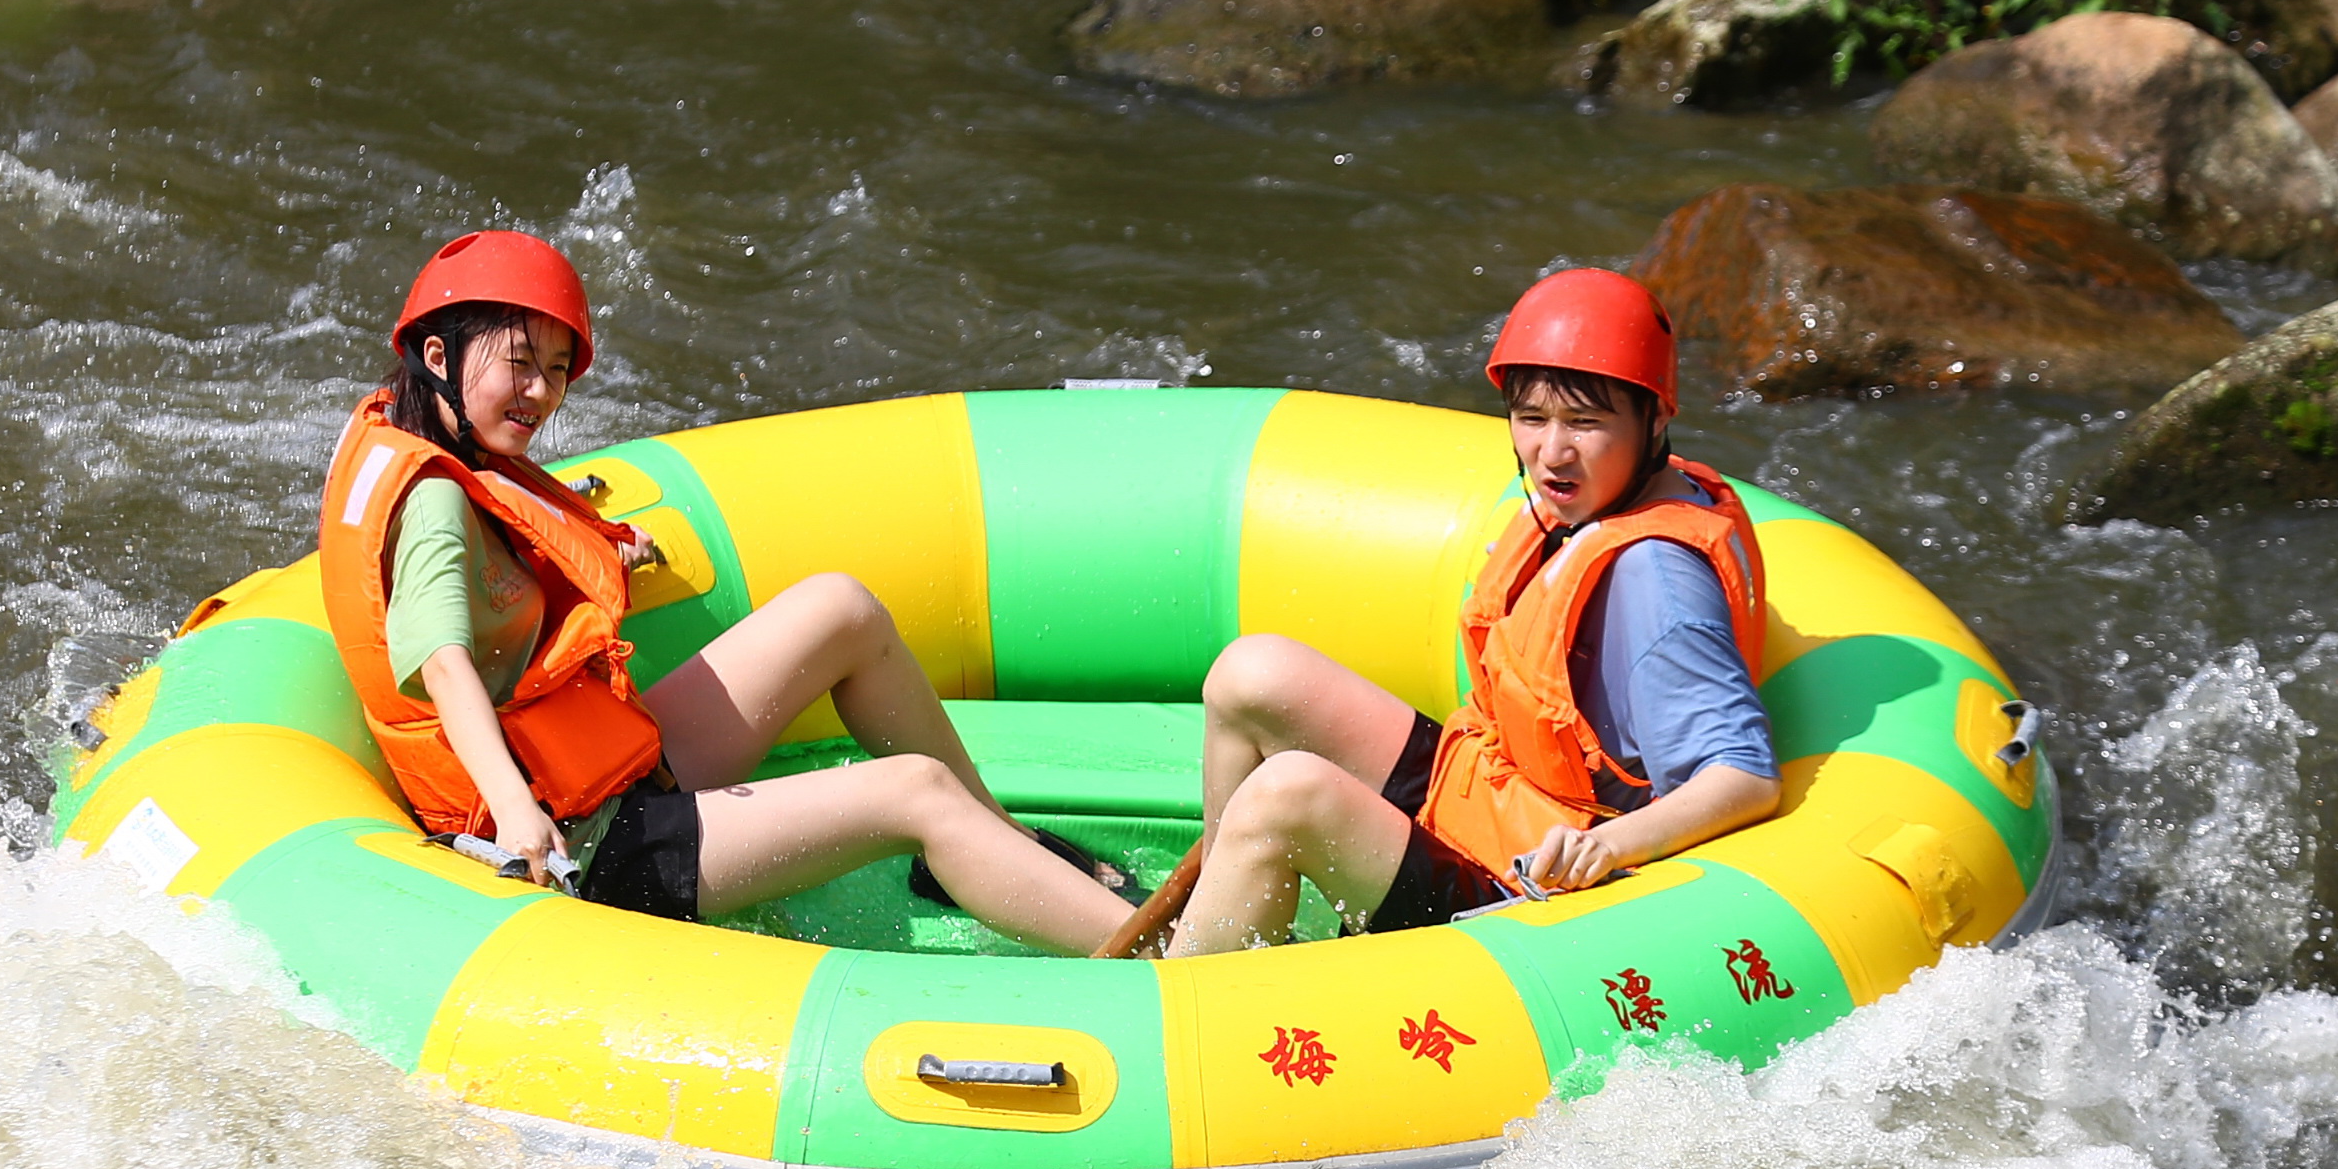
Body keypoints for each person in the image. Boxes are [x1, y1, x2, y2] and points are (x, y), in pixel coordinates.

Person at [316, 229, 1132, 953]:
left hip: (595, 770)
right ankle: (1158, 969)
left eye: (557, 371)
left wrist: (605, 555)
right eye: (518, 364)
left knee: (838, 611)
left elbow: (511, 547)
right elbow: (444, 665)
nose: (540, 393)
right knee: (911, 792)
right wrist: (520, 820)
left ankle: (993, 843)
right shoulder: (430, 502)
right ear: (438, 359)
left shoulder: (432, 441)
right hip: (581, 842)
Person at [1154, 267, 1781, 958]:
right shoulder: (1601, 500)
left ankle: (1191, 999)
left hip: (1527, 887)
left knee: (1288, 790)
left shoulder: (1656, 575)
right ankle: (1216, 911)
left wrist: (1600, 848)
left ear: (1654, 418)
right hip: (1488, 794)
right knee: (1255, 673)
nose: (1552, 452)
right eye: (1531, 419)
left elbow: (1743, 777)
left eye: (1585, 422)